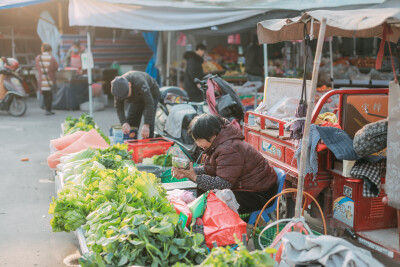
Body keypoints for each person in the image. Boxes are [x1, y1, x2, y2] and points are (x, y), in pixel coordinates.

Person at [172, 114, 278, 214]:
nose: (197, 144)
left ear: (212, 134)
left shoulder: (229, 148)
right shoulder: (219, 143)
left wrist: (193, 176)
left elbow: (222, 184)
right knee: (202, 189)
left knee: (210, 199)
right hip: (247, 187)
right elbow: (212, 169)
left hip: (258, 194)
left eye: (198, 140)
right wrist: (188, 172)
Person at [111, 71, 160, 139]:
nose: (125, 99)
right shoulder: (117, 89)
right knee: (130, 125)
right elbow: (119, 107)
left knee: (148, 126)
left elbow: (149, 103)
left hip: (151, 94)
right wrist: (124, 122)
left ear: (129, 84)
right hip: (136, 98)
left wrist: (146, 124)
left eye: (126, 96)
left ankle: (148, 145)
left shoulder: (140, 82)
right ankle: (132, 146)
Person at [35, 43, 59, 115]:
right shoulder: (52, 58)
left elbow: (37, 67)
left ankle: (46, 109)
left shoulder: (38, 58)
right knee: (49, 95)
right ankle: (48, 110)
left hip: (41, 81)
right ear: (50, 50)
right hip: (49, 80)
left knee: (45, 95)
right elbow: (56, 67)